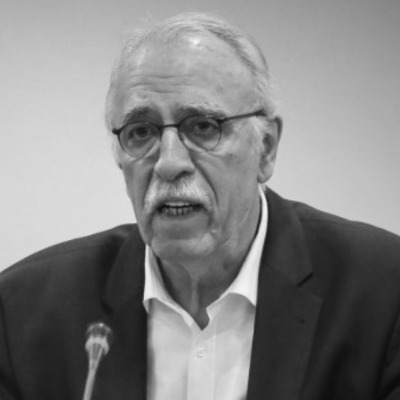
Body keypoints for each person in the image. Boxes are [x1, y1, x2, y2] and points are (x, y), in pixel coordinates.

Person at [1, 12, 400, 400]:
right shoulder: (23, 313)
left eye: (204, 127)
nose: (169, 163)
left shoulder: (383, 293)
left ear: (265, 148)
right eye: (141, 132)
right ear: (120, 158)